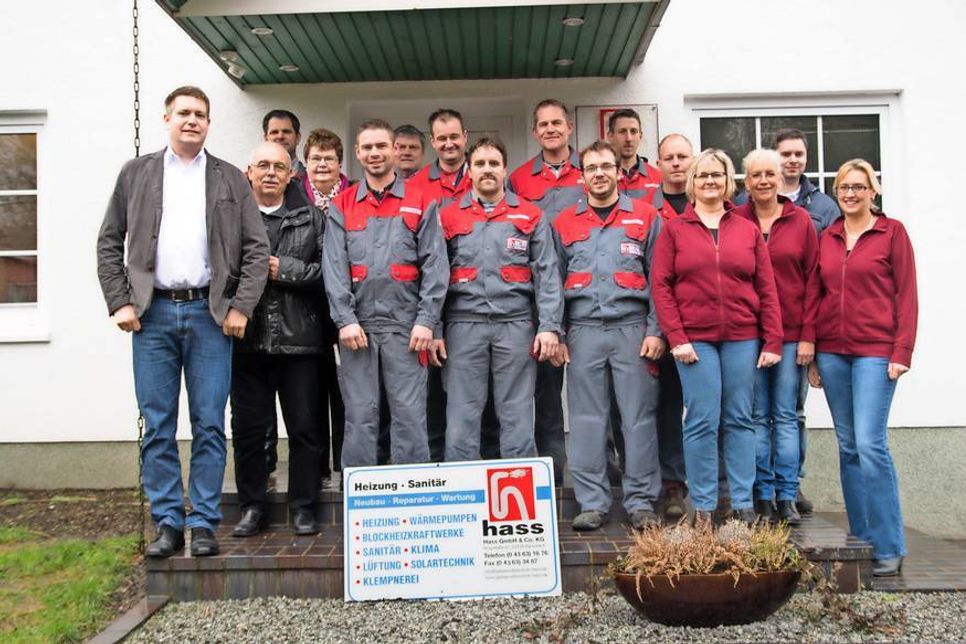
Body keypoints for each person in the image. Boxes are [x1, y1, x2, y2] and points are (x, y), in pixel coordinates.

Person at [96, 86, 269, 557]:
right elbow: (109, 241)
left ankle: (205, 522)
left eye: (200, 114)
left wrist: (240, 306)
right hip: (151, 316)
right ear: (167, 118)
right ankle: (168, 523)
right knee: (157, 425)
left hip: (209, 316)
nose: (192, 120)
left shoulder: (230, 178)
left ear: (209, 123)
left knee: (210, 422)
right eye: (184, 113)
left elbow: (256, 249)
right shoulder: (136, 174)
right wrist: (120, 302)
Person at [650, 148, 783, 526]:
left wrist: (773, 339)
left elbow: (766, 287)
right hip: (695, 341)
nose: (710, 181)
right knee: (701, 420)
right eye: (703, 175)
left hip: (742, 337)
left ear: (728, 182)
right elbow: (661, 287)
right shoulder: (675, 229)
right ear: (693, 182)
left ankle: (741, 503)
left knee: (740, 419)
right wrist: (676, 337)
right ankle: (705, 505)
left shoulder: (746, 229)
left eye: (717, 175)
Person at [808, 159, 917, 577]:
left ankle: (889, 544)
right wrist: (813, 353)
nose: (851, 194)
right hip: (832, 353)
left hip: (876, 351)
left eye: (858, 187)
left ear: (873, 191)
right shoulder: (828, 236)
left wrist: (902, 351)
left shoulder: (892, 233)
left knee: (871, 445)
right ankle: (862, 539)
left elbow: (907, 295)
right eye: (844, 187)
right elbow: (815, 294)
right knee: (849, 446)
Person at [552, 141, 664, 531]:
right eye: (591, 168)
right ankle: (592, 503)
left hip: (633, 330)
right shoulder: (564, 222)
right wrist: (557, 332)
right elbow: (552, 281)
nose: (598, 174)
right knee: (586, 419)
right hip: (582, 331)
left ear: (619, 172)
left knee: (638, 418)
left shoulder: (646, 217)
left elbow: (660, 279)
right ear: (581, 176)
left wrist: (657, 330)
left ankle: (641, 502)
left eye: (605, 167)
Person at [322, 119, 448, 467]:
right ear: (358, 153)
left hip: (407, 330)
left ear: (394, 149)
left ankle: (413, 490)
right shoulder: (343, 205)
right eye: (367, 147)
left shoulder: (421, 201)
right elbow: (334, 267)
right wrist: (345, 320)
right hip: (357, 329)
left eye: (381, 146)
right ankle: (361, 492)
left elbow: (435, 266)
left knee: (409, 415)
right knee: (360, 416)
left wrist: (426, 321)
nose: (375, 153)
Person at [436, 137, 562, 462]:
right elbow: (434, 279)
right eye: (480, 164)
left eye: (494, 163)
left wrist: (549, 326)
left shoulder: (531, 215)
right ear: (469, 171)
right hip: (464, 324)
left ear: (505, 169)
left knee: (517, 412)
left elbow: (547, 275)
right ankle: (462, 487)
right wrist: (434, 328)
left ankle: (518, 485)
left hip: (515, 324)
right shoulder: (447, 217)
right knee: (462, 414)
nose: (487, 170)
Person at [736, 128, 840, 515]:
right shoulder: (736, 220)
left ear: (781, 179)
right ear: (746, 182)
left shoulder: (801, 222)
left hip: (793, 334)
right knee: (756, 416)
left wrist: (810, 337)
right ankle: (763, 493)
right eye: (756, 175)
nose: (764, 181)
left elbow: (815, 281)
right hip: (749, 334)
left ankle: (787, 492)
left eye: (770, 174)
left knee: (786, 415)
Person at [230, 142, 326, 537]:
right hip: (246, 342)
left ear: (291, 175)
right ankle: (253, 507)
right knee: (249, 432)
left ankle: (303, 507)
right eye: (263, 165)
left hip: (299, 341)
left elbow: (329, 272)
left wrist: (285, 270)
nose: (271, 173)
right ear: (249, 172)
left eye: (279, 167)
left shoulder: (312, 218)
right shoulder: (232, 219)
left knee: (304, 429)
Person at [510, 99, 585, 484]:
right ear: (535, 131)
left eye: (557, 122)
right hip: (539, 298)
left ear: (569, 127)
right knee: (545, 388)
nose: (551, 129)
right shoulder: (519, 179)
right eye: (544, 124)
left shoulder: (591, 170)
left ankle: (604, 467)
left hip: (587, 293)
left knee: (594, 389)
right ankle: (552, 470)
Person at [648, 133, 695, 522]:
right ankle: (671, 483)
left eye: (682, 156)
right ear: (658, 164)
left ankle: (717, 488)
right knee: (665, 407)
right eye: (669, 157)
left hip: (705, 324)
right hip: (662, 325)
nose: (677, 163)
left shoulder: (714, 205)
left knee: (707, 409)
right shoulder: (645, 210)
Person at [302, 128, 349, 488]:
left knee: (347, 391)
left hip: (349, 308)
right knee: (312, 391)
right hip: (307, 308)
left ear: (339, 163)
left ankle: (346, 464)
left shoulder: (354, 195)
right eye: (315, 158)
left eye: (328, 158)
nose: (322, 164)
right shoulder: (294, 197)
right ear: (305, 162)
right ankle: (316, 467)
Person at [607, 108, 663, 203]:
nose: (628, 138)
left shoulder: (658, 178)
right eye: (622, 131)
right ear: (610, 136)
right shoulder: (601, 178)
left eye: (633, 131)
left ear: (640, 136)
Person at [263, 109, 305, 179]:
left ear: (297, 138)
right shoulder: (247, 181)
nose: (280, 136)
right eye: (274, 132)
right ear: (266, 139)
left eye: (286, 132)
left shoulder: (313, 181)